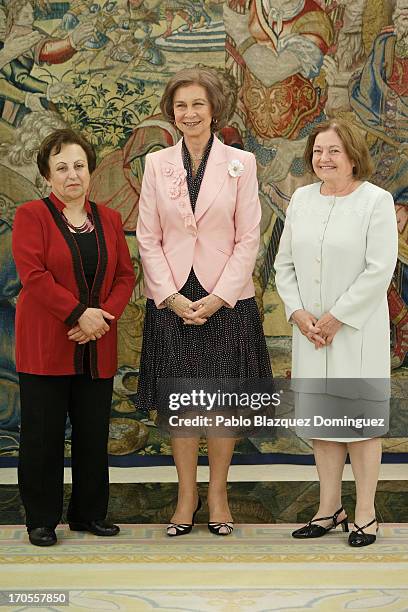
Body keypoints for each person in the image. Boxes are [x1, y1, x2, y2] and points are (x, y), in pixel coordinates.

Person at [136, 66, 272, 537]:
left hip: (225, 299)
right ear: (171, 113)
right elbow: (147, 238)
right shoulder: (157, 164)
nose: (189, 113)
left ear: (213, 110)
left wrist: (218, 297)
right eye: (180, 105)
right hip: (173, 298)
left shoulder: (241, 163)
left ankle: (218, 496)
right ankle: (185, 498)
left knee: (218, 403)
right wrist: (170, 297)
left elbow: (249, 238)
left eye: (197, 104)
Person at [274, 118, 398, 547]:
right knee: (322, 423)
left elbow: (379, 268)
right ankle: (329, 508)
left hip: (355, 333)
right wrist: (298, 313)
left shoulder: (375, 201)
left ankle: (365, 512)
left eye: (333, 151)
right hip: (310, 334)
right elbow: (283, 264)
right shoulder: (302, 199)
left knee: (361, 425)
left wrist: (336, 317)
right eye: (318, 151)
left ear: (352, 157)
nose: (323, 159)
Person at [12, 129, 135, 546]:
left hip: (96, 345)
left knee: (92, 434)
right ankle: (41, 520)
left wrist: (103, 318)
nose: (72, 175)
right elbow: (34, 276)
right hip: (47, 344)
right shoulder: (31, 216)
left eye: (79, 166)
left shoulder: (110, 219)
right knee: (43, 436)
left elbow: (124, 276)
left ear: (91, 171)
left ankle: (87, 514)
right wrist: (80, 314)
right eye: (61, 167)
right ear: (47, 175)